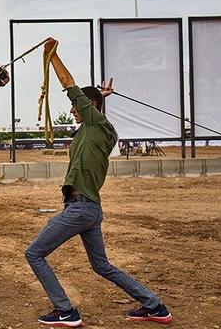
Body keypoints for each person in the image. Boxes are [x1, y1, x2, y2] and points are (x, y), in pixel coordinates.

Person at [24, 38, 172, 327]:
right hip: (89, 210)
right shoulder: (100, 129)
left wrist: (52, 55)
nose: (72, 110)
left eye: (77, 106)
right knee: (102, 266)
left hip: (79, 210)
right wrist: (102, 97)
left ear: (89, 105)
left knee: (34, 253)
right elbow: (93, 108)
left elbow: (69, 83)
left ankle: (65, 310)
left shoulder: (94, 124)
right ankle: (154, 306)